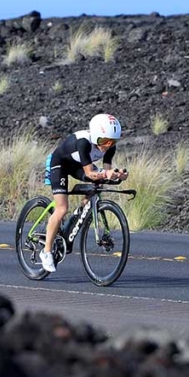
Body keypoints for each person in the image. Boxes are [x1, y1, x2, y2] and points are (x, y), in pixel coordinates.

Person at [39, 114, 129, 273]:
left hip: (78, 166)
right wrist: (105, 174)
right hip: (60, 164)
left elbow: (105, 171)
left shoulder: (109, 147)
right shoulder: (83, 143)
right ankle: (46, 252)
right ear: (95, 136)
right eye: (103, 142)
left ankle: (75, 219)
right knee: (61, 208)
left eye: (112, 142)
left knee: (96, 189)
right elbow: (90, 172)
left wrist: (117, 175)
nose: (107, 146)